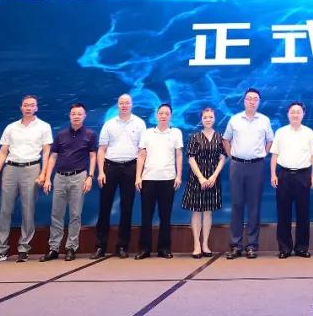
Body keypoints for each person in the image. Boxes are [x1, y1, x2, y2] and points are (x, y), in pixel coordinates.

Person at [0, 95, 52, 263]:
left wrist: (43, 173)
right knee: (5, 210)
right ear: (21, 107)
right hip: (10, 169)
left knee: (28, 210)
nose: (28, 108)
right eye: (25, 105)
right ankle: (0, 250)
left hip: (32, 168)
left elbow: (46, 152)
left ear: (36, 108)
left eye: (32, 105)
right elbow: (3, 151)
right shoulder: (11, 127)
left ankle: (24, 248)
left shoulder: (44, 127)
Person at [40, 102, 97, 262]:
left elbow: (93, 156)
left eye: (79, 114)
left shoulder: (90, 135)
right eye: (73, 114)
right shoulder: (61, 134)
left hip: (79, 177)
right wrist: (48, 178)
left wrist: (90, 177)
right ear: (69, 115)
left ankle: (71, 247)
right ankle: (54, 248)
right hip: (59, 177)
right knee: (56, 214)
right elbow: (53, 157)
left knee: (75, 214)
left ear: (84, 116)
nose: (76, 116)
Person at [93, 93, 147, 259]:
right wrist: (101, 171)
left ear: (131, 104)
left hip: (130, 167)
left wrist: (139, 175)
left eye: (127, 103)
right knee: (104, 207)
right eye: (121, 103)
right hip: (110, 167)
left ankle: (122, 246)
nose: (124, 105)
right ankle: (100, 246)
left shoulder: (140, 123)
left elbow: (142, 151)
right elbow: (101, 149)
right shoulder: (109, 124)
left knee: (127, 208)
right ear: (118, 105)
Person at [223, 87, 274, 259]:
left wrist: (263, 154)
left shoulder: (264, 120)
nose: (252, 101)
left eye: (255, 99)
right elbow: (226, 139)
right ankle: (235, 245)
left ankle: (252, 245)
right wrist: (231, 155)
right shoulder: (235, 119)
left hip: (256, 166)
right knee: (236, 205)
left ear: (259, 102)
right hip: (237, 165)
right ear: (244, 100)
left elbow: (270, 140)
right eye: (249, 98)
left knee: (254, 206)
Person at [270, 102, 313, 258]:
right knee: (283, 213)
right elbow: (274, 155)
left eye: (298, 112)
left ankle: (301, 248)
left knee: (303, 213)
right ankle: (284, 248)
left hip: (303, 175)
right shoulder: (280, 132)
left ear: (303, 114)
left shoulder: (309, 133)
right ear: (288, 114)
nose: (295, 115)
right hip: (283, 175)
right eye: (292, 112)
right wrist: (273, 174)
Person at [135, 103, 184, 259]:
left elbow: (179, 155)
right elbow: (141, 155)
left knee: (165, 215)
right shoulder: (148, 133)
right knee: (146, 215)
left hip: (168, 179)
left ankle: (164, 248)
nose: (163, 116)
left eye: (166, 113)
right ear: (156, 115)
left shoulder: (176, 133)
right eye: (161, 113)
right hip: (148, 179)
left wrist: (178, 176)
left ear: (171, 116)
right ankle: (144, 249)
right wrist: (138, 176)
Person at [182, 107, 225, 258]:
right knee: (196, 212)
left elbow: (222, 158)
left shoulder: (220, 137)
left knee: (208, 212)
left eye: (210, 117)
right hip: (196, 179)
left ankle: (205, 244)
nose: (208, 119)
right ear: (201, 119)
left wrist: (213, 177)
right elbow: (191, 158)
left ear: (215, 118)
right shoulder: (195, 136)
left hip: (213, 179)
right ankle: (196, 245)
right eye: (205, 117)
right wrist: (201, 177)